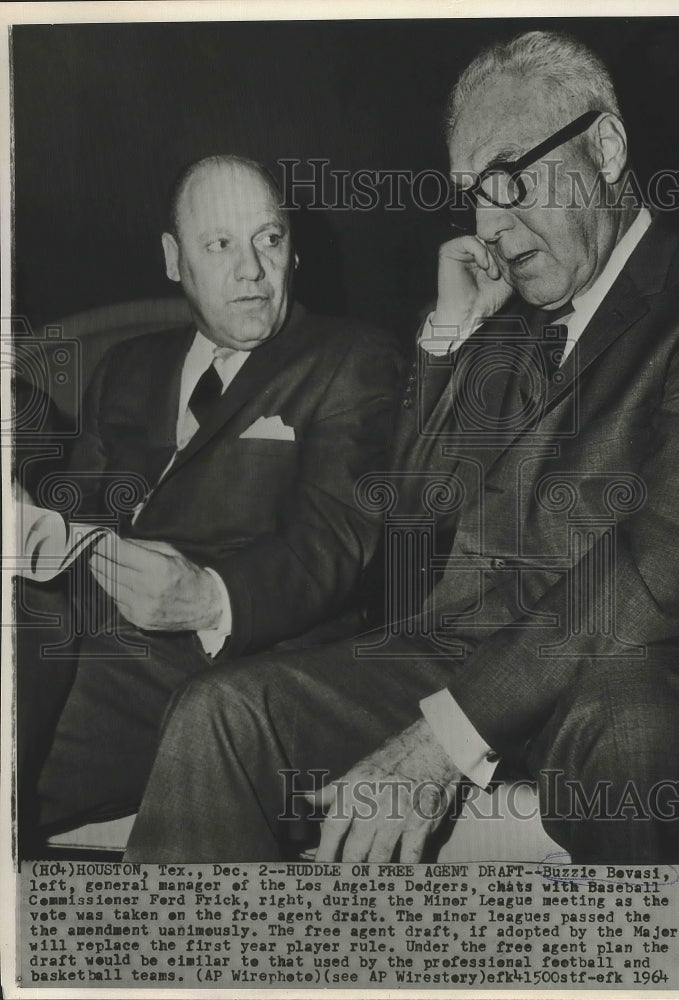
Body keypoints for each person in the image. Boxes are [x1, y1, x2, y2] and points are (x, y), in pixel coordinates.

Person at [125, 32, 679, 865]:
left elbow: (658, 567)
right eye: (474, 196)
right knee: (224, 712)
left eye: (509, 179)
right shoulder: (505, 331)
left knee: (639, 731)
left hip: (609, 673)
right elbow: (406, 525)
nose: (493, 227)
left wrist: (448, 738)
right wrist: (449, 335)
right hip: (449, 653)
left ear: (605, 147)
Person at [23, 154, 402, 839]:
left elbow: (336, 539)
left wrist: (208, 598)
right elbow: (74, 511)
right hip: (82, 626)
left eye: (269, 239)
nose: (251, 270)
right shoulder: (126, 366)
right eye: (220, 244)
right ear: (174, 259)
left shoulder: (351, 357)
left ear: (293, 250)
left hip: (233, 653)